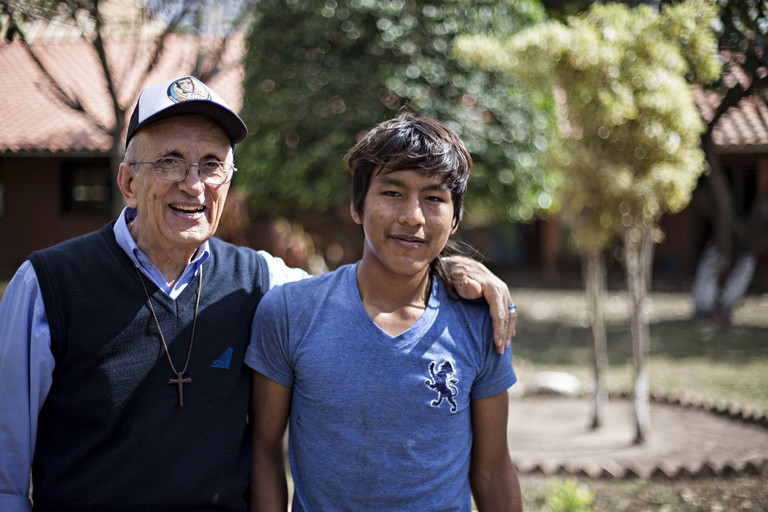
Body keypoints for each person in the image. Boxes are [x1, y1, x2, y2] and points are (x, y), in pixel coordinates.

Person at [0, 77, 517, 512]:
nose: (193, 184)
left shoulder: (265, 283)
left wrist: (453, 265)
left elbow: (377, 280)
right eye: (170, 162)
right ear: (128, 182)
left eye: (212, 164)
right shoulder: (48, 287)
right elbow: (5, 473)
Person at [248, 112, 523, 511]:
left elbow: (493, 469)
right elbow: (265, 450)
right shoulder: (291, 313)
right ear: (357, 206)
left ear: (456, 217)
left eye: (434, 198)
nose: (413, 216)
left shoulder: (482, 321)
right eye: (392, 193)